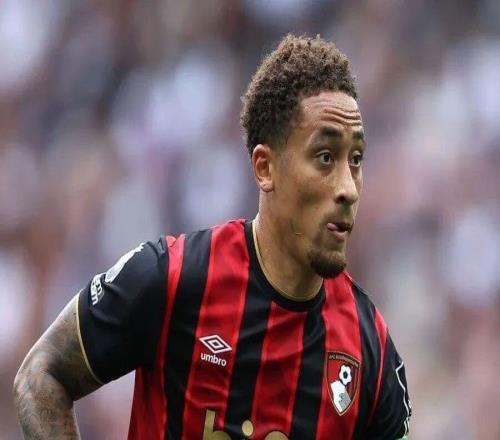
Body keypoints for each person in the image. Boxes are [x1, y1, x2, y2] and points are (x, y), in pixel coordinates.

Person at [13, 34, 411, 440]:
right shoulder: (172, 278)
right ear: (265, 168)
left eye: (356, 159)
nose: (348, 188)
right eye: (325, 157)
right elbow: (42, 375)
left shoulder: (370, 349)